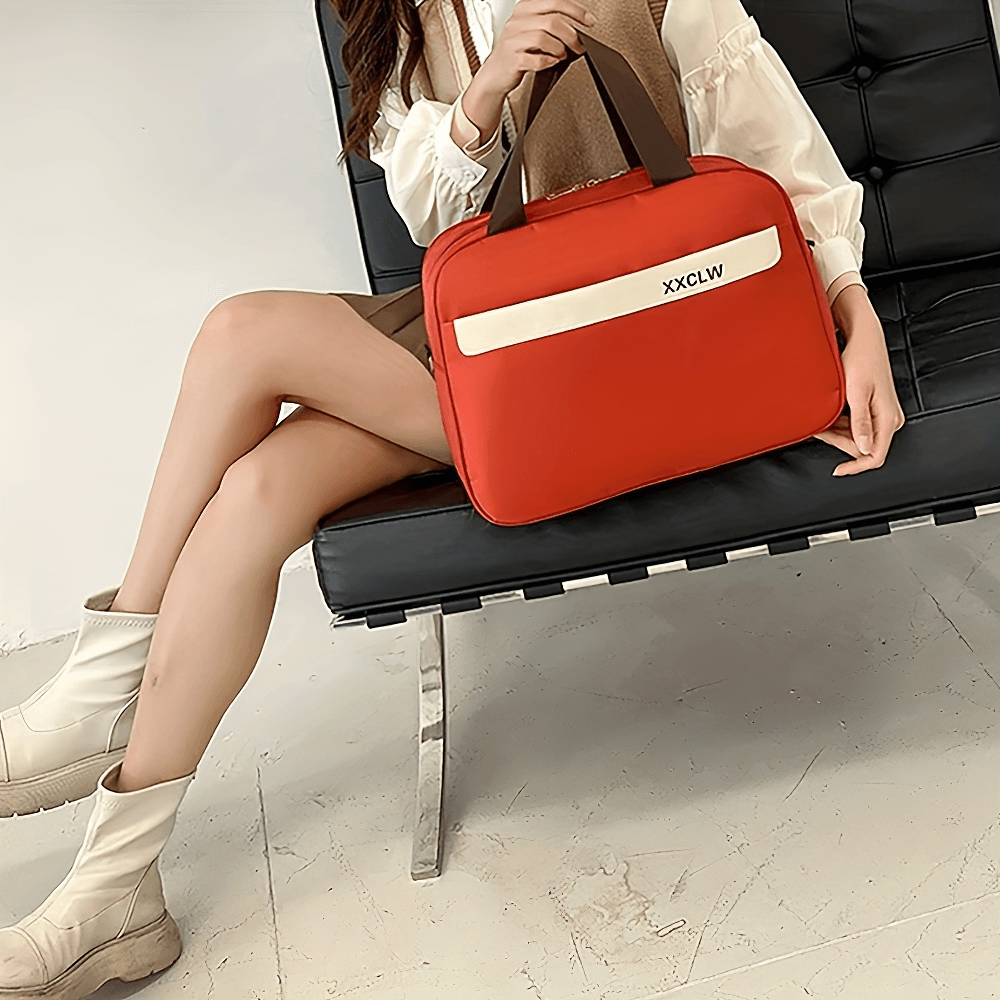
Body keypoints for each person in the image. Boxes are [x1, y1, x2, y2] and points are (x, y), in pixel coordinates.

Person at [0, 1, 905, 995]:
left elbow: (778, 149)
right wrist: (478, 100)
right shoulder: (401, 21)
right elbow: (436, 222)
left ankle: (100, 695)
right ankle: (115, 891)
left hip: (634, 347)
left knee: (240, 335)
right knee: (258, 485)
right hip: (504, 340)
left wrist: (853, 320)